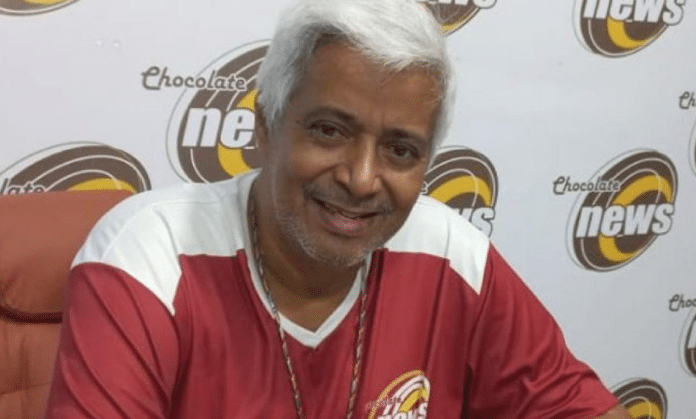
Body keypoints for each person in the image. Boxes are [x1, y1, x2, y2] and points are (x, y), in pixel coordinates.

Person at [45, 0, 632, 418]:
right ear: (265, 127)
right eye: (329, 131)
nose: (362, 178)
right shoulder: (151, 258)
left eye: (400, 150)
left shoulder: (453, 254)